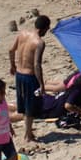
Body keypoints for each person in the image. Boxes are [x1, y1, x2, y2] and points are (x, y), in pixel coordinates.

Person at [8, 15, 49, 143]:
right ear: (44, 29)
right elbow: (37, 64)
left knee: (23, 105)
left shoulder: (22, 34)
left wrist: (12, 65)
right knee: (30, 107)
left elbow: (11, 50)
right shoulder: (39, 43)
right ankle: (28, 135)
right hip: (30, 76)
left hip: (19, 74)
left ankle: (28, 131)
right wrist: (41, 84)